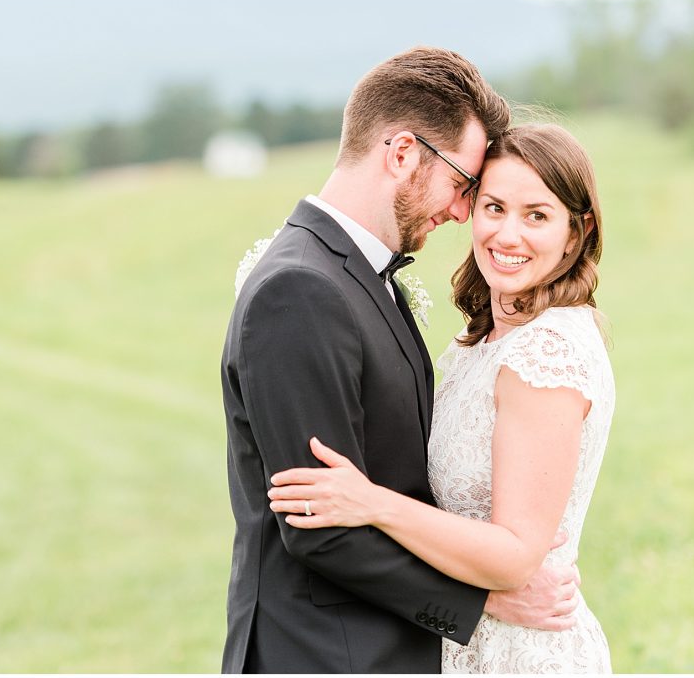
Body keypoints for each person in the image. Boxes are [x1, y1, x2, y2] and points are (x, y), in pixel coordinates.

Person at [221, 47, 582, 674]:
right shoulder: (299, 290)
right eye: (462, 184)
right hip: (323, 653)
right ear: (402, 154)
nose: (463, 211)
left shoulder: (362, 274)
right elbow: (320, 524)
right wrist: (486, 597)